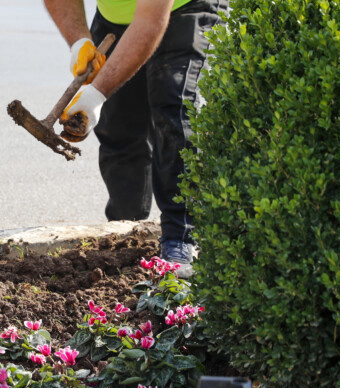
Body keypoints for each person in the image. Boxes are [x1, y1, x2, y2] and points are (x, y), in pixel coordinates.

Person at [44, 0, 228, 277]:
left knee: (174, 107)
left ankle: (181, 237)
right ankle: (127, 229)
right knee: (118, 126)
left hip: (186, 8)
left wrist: (97, 93)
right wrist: (79, 40)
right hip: (115, 15)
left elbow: (149, 22)